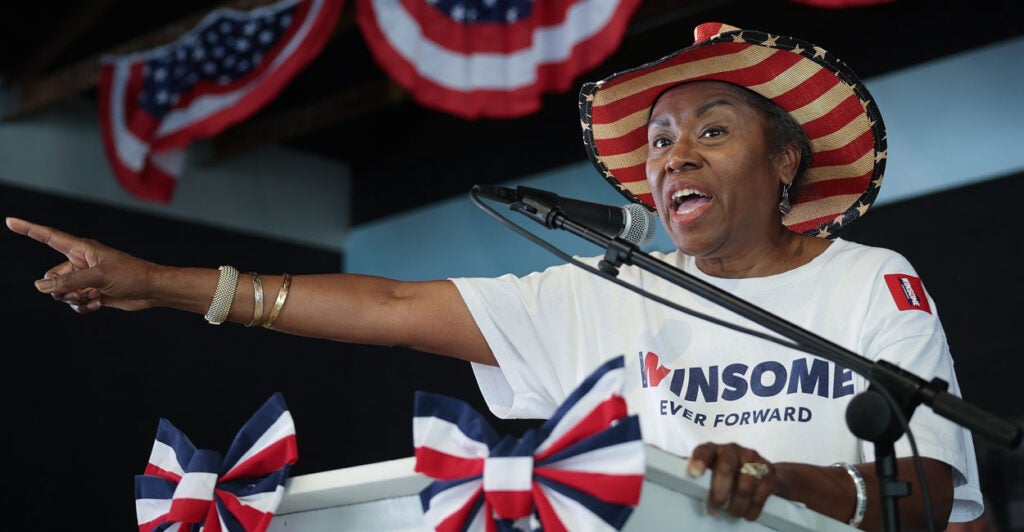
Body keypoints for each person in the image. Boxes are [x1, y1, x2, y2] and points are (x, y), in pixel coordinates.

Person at [5, 21, 982, 530]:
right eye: (659, 139)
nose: (672, 157)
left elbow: (937, 491)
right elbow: (388, 305)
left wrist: (783, 484)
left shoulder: (868, 279)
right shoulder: (604, 289)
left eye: (710, 132)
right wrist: (164, 283)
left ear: (784, 165)